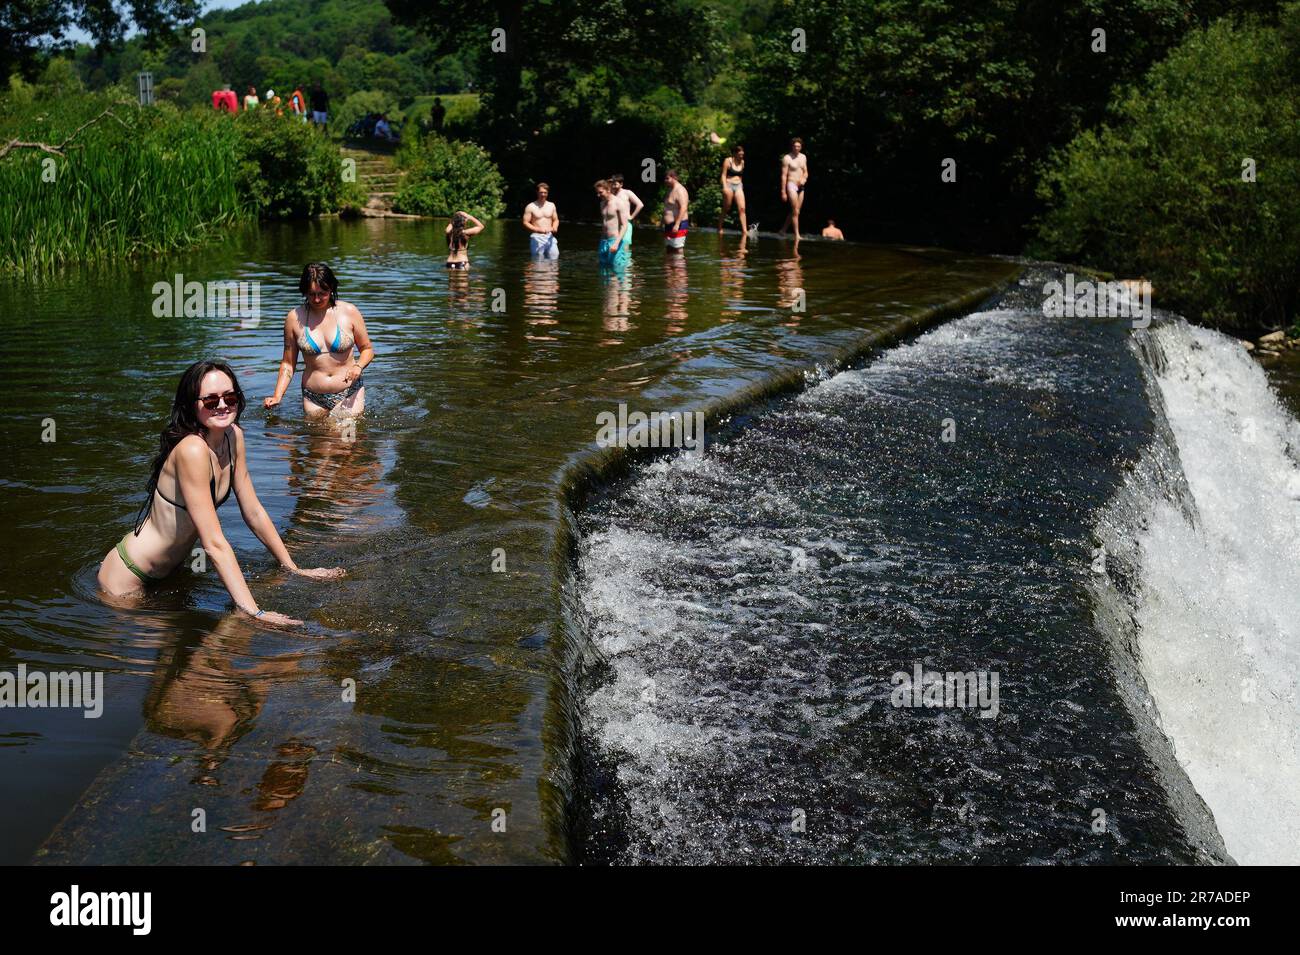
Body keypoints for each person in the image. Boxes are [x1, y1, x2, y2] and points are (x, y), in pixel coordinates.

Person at [97, 359, 343, 621]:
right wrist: (254, 612)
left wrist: (292, 568)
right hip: (128, 579)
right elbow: (213, 543)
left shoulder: (233, 436)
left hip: (172, 573)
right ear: (192, 404)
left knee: (191, 649)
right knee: (164, 656)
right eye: (211, 401)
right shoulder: (192, 450)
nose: (223, 406)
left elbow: (253, 511)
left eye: (230, 397)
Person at [264, 263, 375, 419]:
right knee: (319, 442)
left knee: (346, 438)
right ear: (304, 292)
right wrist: (277, 396)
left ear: (331, 289)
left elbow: (367, 349)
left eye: (322, 293)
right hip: (313, 397)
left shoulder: (349, 312)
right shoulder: (294, 318)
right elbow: (288, 364)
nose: (316, 299)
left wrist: (358, 366)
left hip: (349, 392)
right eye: (311, 294)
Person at [595, 179, 629, 269]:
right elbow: (604, 223)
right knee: (603, 271)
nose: (598, 195)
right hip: (603, 241)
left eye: (600, 192)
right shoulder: (602, 203)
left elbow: (624, 225)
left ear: (608, 190)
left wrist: (616, 243)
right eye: (597, 193)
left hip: (614, 241)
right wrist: (601, 240)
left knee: (616, 271)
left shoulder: (619, 203)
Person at [779, 137, 809, 239]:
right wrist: (783, 191)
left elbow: (806, 172)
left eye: (798, 146)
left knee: (795, 211)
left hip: (801, 186)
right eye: (795, 146)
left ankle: (783, 230)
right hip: (791, 184)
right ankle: (797, 234)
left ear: (801, 147)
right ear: (792, 147)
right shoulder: (787, 158)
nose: (797, 148)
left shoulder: (803, 157)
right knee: (795, 211)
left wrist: (804, 179)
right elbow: (783, 175)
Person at [523, 183, 560, 258]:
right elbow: (525, 222)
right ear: (537, 193)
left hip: (550, 237)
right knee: (538, 261)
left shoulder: (551, 205)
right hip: (537, 237)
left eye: (545, 192)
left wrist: (555, 227)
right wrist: (537, 229)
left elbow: (556, 220)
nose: (543, 194)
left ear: (547, 193)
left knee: (555, 257)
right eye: (541, 192)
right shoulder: (530, 206)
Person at [609, 173, 643, 253]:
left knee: (625, 248)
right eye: (612, 184)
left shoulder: (627, 193)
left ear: (621, 184)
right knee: (615, 248)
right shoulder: (611, 194)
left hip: (626, 224)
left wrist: (632, 216)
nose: (613, 186)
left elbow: (640, 204)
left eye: (615, 184)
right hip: (615, 225)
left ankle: (628, 265)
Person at [718, 144, 747, 235]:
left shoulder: (742, 162)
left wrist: (740, 185)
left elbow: (741, 175)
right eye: (740, 154)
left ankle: (744, 231)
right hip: (729, 184)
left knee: (742, 208)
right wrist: (725, 187)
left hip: (738, 185)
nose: (741, 156)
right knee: (727, 207)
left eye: (742, 154)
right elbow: (723, 175)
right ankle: (719, 227)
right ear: (735, 153)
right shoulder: (728, 161)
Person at [662, 169, 690, 250]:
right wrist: (662, 222)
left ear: (674, 178)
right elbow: (667, 208)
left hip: (678, 225)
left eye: (667, 178)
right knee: (669, 250)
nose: (665, 181)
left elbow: (684, 207)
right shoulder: (670, 190)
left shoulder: (680, 190)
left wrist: (677, 224)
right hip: (668, 226)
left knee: (678, 251)